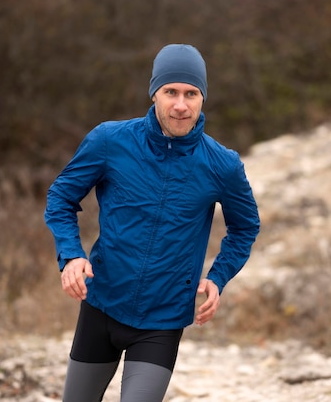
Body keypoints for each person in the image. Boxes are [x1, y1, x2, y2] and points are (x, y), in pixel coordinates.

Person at [44, 43, 260, 402]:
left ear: (203, 98)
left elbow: (245, 227)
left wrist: (218, 276)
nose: (181, 104)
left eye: (191, 93)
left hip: (164, 318)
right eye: (170, 92)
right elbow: (61, 197)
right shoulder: (109, 141)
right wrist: (70, 255)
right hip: (102, 303)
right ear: (154, 93)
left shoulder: (223, 165)